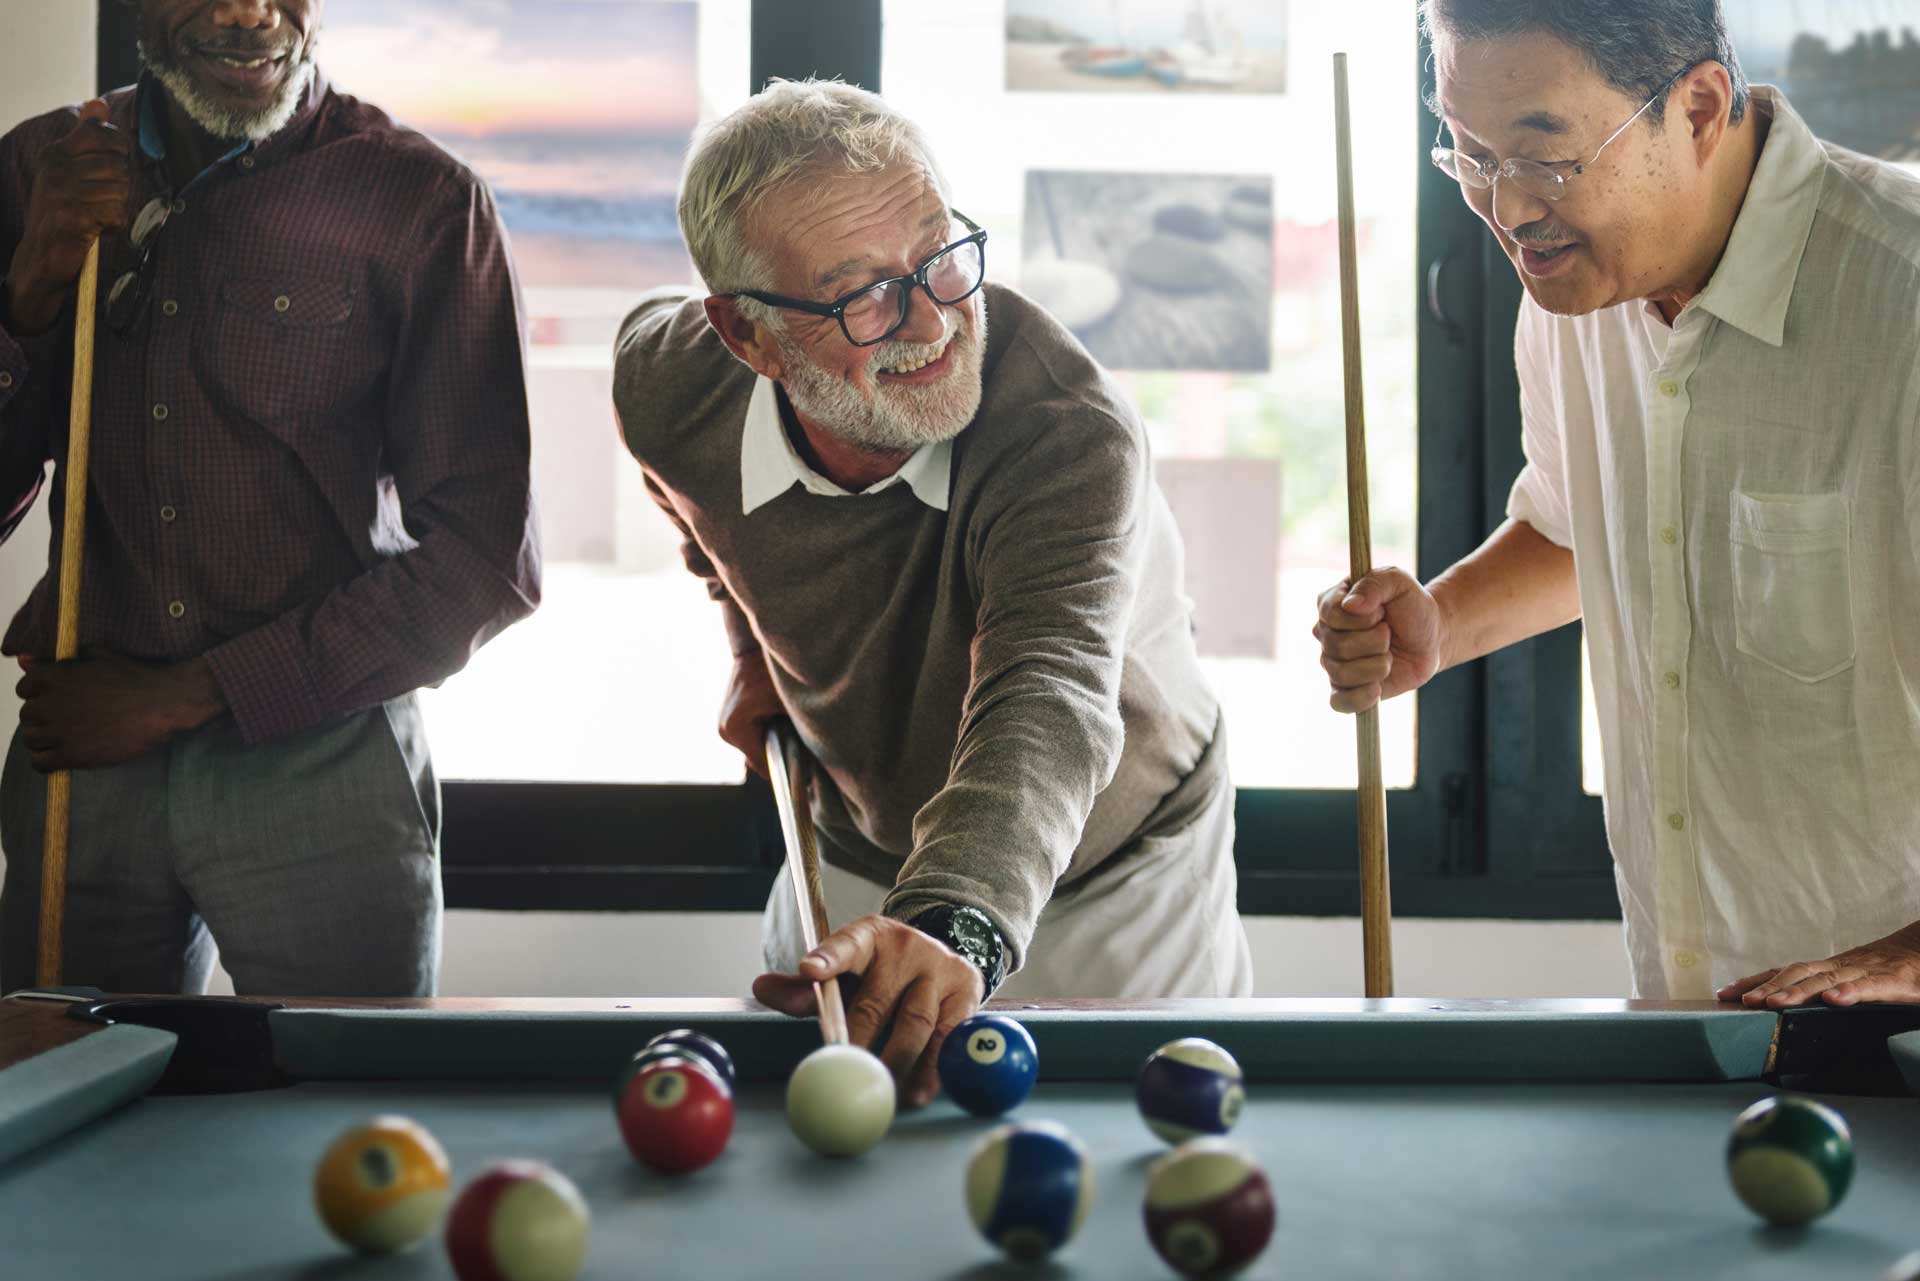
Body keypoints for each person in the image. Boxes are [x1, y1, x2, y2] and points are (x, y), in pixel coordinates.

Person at [615, 79, 1251, 1105]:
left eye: (940, 256)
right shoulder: (669, 383)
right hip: (861, 845)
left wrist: (951, 923)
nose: (932, 320)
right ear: (747, 337)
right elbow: (689, 501)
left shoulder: (1066, 431)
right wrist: (747, 647)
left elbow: (1046, 697)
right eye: (860, 291)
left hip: (1117, 870)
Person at [1315, 0, 1920, 1005]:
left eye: (1545, 156)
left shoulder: (1902, 304)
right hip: (1693, 1012)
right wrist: (1443, 622)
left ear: (1696, 108)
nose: (1506, 210)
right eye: (1467, 153)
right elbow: (1580, 523)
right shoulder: (1572, 287)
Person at [0, 0, 540, 995]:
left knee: (343, 1125)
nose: (252, 12)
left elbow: (483, 565)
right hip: (82, 762)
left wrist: (175, 701)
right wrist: (26, 294)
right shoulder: (38, 170)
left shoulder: (421, 199)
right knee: (58, 1116)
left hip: (323, 763)